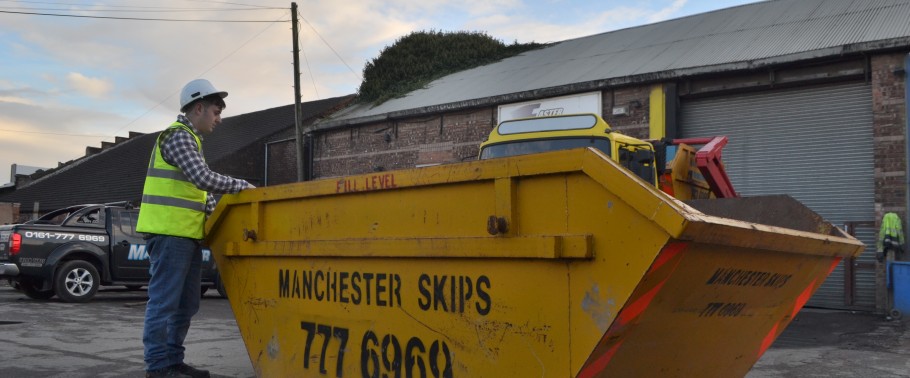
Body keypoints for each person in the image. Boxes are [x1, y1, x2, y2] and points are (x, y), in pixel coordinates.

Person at [136, 79, 254, 378]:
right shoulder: (178, 136)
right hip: (169, 235)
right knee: (164, 303)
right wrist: (242, 187)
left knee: (186, 304)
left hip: (186, 236)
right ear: (198, 107)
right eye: (215, 111)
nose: (219, 119)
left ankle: (173, 360)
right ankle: (158, 367)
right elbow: (202, 178)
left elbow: (199, 194)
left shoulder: (191, 140)